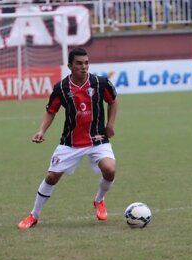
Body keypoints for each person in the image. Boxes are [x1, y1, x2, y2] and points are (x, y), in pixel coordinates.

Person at [17, 48, 118, 229]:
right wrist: (41, 131)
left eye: (86, 63)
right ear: (70, 66)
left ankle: (99, 200)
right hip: (71, 142)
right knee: (52, 176)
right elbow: (51, 111)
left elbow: (112, 101)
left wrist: (110, 124)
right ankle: (34, 215)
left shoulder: (100, 82)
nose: (84, 67)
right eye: (79, 63)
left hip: (97, 138)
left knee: (110, 169)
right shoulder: (61, 88)